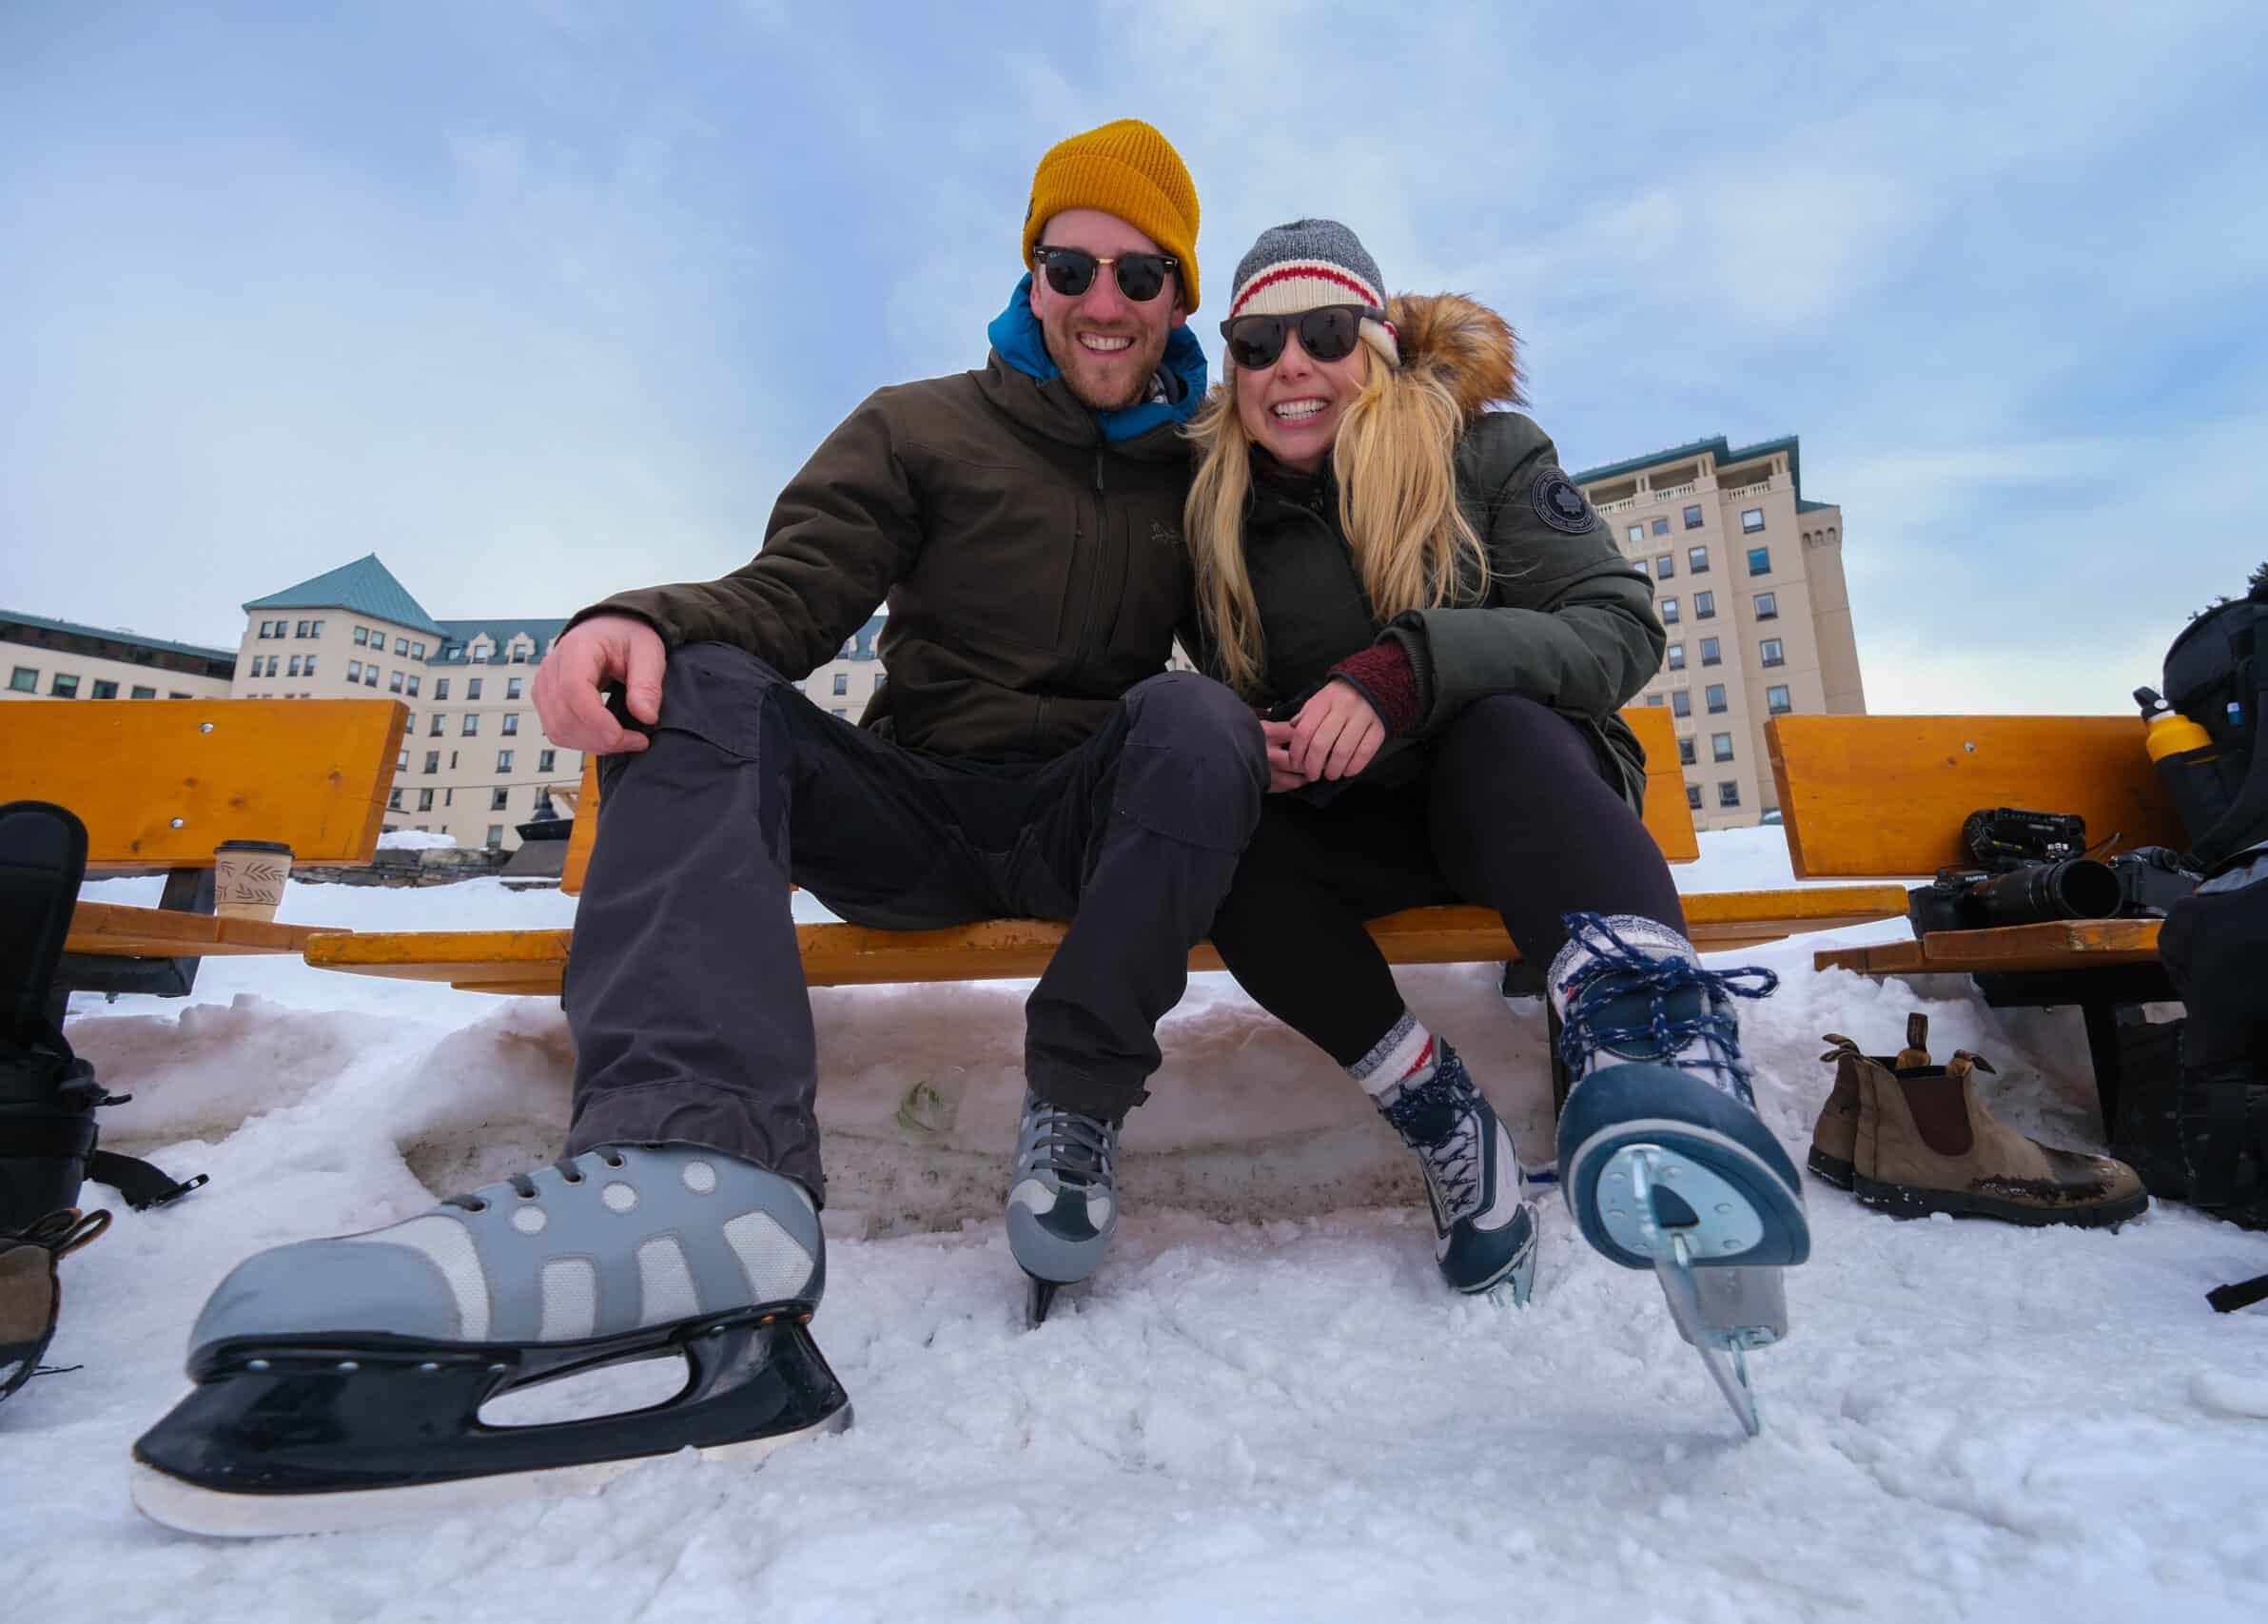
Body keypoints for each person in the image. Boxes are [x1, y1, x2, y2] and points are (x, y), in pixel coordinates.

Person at [130, 120, 1270, 1536]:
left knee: (1200, 720)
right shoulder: (918, 425)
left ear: (1180, 296)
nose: (1104, 301)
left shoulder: (1209, 468)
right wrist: (641, 620)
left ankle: (1077, 1107)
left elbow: (1266, 638)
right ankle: (703, 1172)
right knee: (710, 686)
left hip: (1078, 819)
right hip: (910, 806)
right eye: (1071, 264)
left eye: (1141, 275)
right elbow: (790, 592)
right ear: (1030, 276)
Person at [1184, 223, 1810, 1351]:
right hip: (1356, 817)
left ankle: (1666, 1070)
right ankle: (1443, 1118)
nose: (1290, 366)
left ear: (1373, 344)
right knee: (1225, 837)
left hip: (1516, 802)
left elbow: (1616, 628)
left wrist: (1410, 669)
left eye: (1323, 333)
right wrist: (1259, 740)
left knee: (1504, 731)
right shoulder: (1215, 516)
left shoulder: (1485, 450)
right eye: (1255, 342)